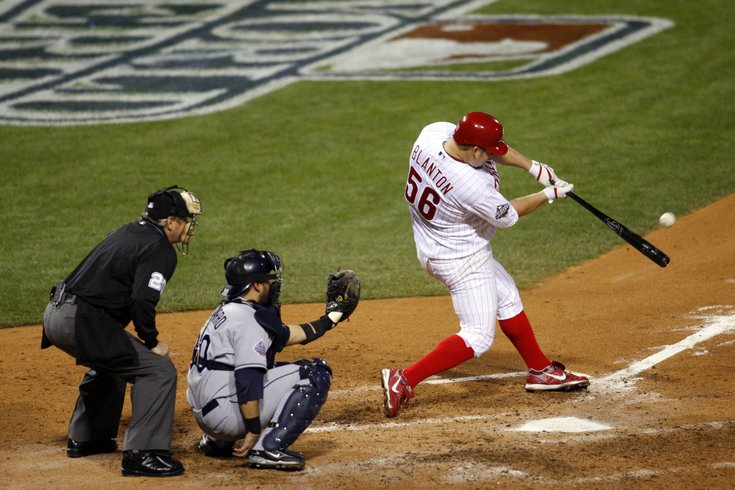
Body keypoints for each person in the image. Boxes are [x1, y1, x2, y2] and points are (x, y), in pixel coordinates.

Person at [381, 112, 589, 418]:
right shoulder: (469, 184)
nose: (493, 155)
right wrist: (548, 194)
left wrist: (533, 167)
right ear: (475, 152)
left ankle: (540, 370)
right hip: (461, 258)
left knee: (506, 297)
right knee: (477, 336)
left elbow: (484, 149)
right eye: (489, 152)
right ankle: (405, 378)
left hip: (432, 244)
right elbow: (508, 214)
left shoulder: (432, 134)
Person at [41, 185, 202, 476]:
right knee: (157, 369)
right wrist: (151, 340)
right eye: (187, 219)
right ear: (171, 222)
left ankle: (88, 437)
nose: (190, 226)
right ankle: (144, 454)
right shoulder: (160, 249)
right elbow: (142, 300)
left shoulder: (129, 231)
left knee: (115, 360)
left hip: (56, 314)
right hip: (80, 320)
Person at [187, 250, 359, 471]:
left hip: (206, 413)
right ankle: (268, 448)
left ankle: (218, 442)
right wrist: (252, 429)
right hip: (225, 417)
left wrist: (330, 319)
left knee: (262, 365)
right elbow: (247, 378)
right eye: (270, 279)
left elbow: (285, 335)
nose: (275, 284)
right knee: (315, 372)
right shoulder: (250, 321)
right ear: (257, 285)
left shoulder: (228, 310)